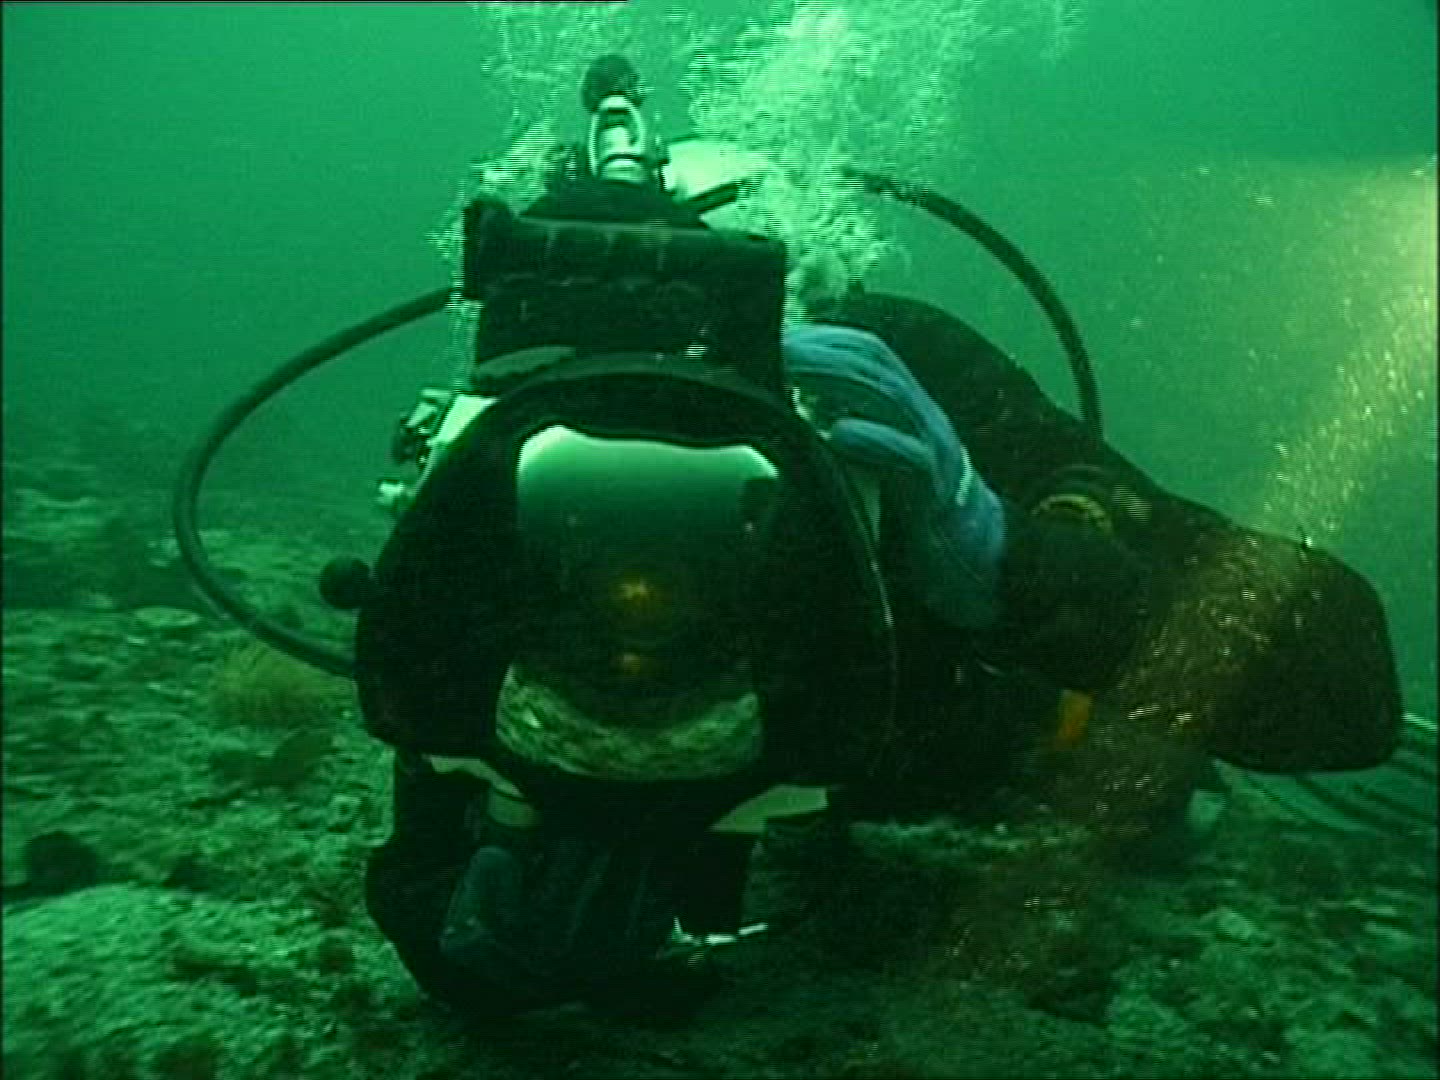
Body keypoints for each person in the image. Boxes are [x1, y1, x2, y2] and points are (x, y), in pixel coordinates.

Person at [360, 66, 1403, 1019]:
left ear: (790, 308)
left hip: (936, 748)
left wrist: (1014, 567)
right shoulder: (492, 477)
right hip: (848, 757)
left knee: (1152, 799)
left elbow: (1346, 696)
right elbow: (427, 851)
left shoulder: (879, 393)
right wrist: (477, 937)